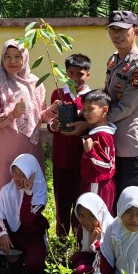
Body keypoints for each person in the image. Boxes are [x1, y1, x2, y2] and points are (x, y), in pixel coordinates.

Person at [0, 40, 59, 204]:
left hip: (30, 144)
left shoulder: (35, 83)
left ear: (25, 58)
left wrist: (52, 110)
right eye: (8, 57)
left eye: (17, 56)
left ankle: (31, 224)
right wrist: (12, 114)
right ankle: (2, 226)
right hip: (5, 146)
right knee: (5, 185)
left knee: (29, 185)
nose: (12, 61)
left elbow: (41, 115)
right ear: (2, 58)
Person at [104, 11, 138, 210]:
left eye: (123, 30)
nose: (117, 35)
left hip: (129, 147)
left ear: (136, 32)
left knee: (135, 206)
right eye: (113, 30)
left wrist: (93, 121)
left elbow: (125, 108)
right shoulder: (114, 60)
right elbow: (107, 96)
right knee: (115, 203)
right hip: (110, 142)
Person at [48, 53, 92, 238]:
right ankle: (62, 239)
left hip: (83, 160)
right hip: (62, 159)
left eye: (80, 74)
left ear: (88, 74)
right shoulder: (58, 94)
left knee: (81, 202)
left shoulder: (91, 97)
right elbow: (51, 122)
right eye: (71, 73)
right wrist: (53, 125)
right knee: (62, 202)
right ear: (65, 73)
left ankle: (80, 239)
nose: (75, 78)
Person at [0, 154, 49, 273]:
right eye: (15, 172)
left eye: (23, 174)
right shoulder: (7, 190)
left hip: (30, 235)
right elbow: (0, 215)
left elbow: (26, 218)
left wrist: (28, 194)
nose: (17, 178)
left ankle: (19, 259)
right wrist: (3, 234)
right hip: (12, 234)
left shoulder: (39, 195)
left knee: (34, 264)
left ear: (32, 175)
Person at [79, 89, 116, 211]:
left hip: (97, 185)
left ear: (104, 110)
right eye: (84, 109)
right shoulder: (99, 133)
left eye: (90, 109)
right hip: (96, 183)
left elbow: (107, 166)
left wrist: (90, 152)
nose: (86, 113)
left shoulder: (101, 135)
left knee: (95, 219)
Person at [71, 192, 114, 274]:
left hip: (106, 266)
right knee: (76, 257)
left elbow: (108, 259)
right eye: (81, 215)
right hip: (95, 258)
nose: (86, 221)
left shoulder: (110, 229)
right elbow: (88, 250)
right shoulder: (85, 228)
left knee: (81, 271)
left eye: (92, 216)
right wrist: (92, 242)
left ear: (100, 213)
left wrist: (95, 243)